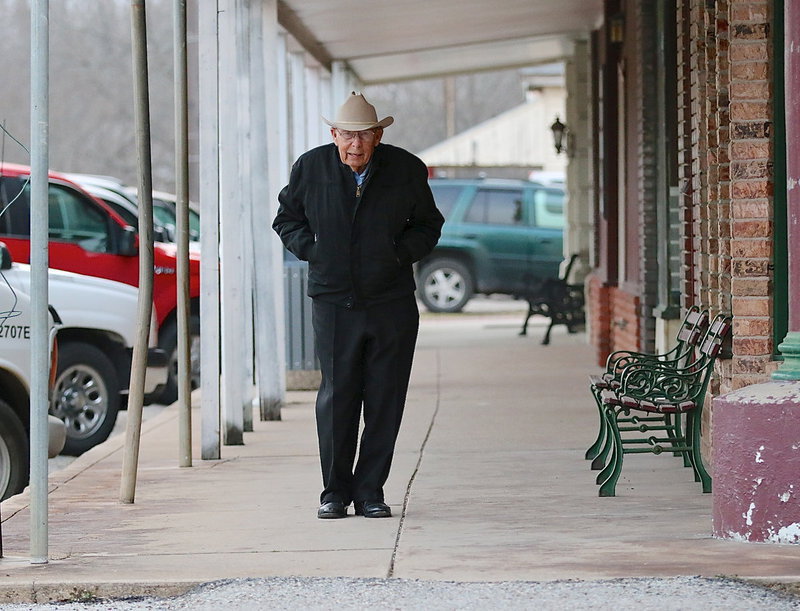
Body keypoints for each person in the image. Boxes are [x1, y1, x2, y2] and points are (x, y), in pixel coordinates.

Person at [272, 92, 444, 519]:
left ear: (378, 135)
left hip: (391, 302)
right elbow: (286, 218)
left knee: (385, 397)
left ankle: (370, 491)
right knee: (337, 396)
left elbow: (429, 224)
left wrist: (398, 253)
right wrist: (313, 249)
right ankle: (334, 491)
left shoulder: (405, 169)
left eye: (364, 136)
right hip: (333, 301)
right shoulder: (310, 168)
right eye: (347, 135)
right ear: (334, 135)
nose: (355, 144)